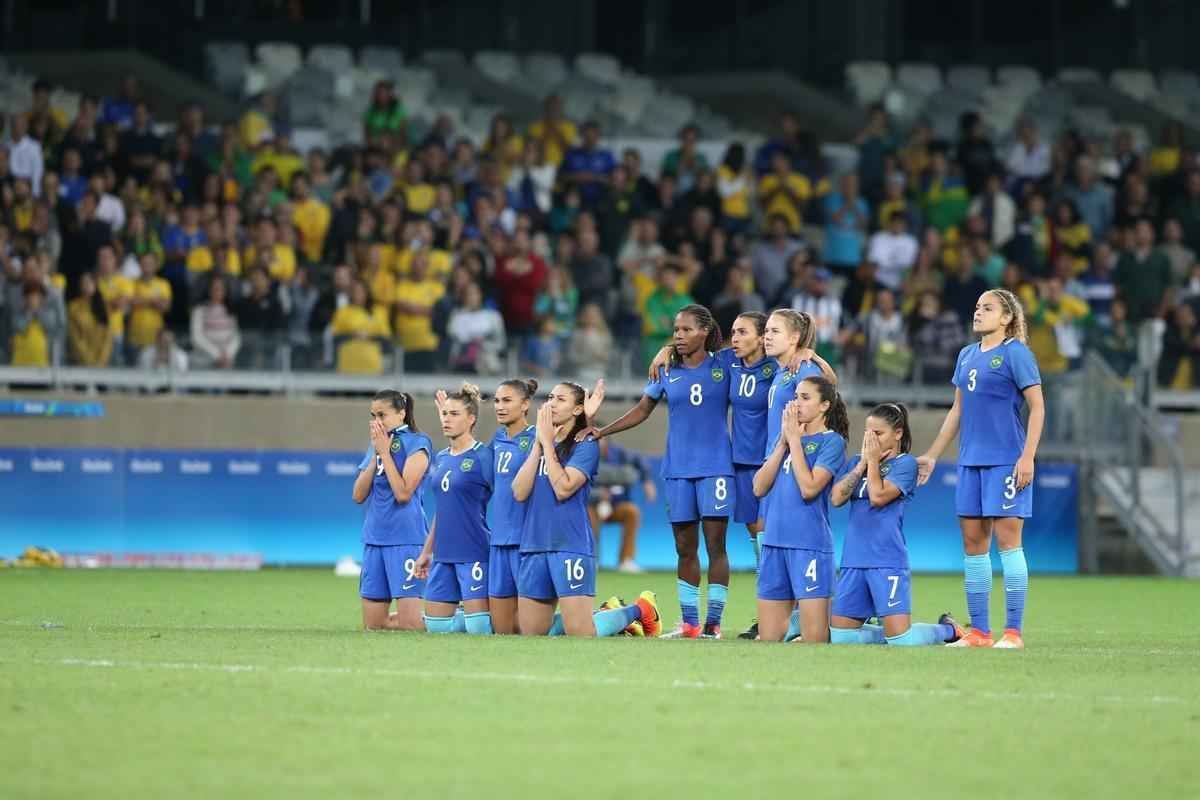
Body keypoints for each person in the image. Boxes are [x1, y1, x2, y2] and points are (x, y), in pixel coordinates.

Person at [590, 305, 733, 639]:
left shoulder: (725, 365)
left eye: (686, 330)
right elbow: (642, 410)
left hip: (716, 469)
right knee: (685, 547)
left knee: (716, 547)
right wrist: (603, 431)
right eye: (675, 331)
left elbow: (754, 353)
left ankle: (713, 626)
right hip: (677, 470)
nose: (678, 336)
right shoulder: (667, 370)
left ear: (704, 331)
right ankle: (691, 625)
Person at [916, 289, 1044, 648]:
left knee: (1008, 543)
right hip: (969, 462)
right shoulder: (967, 355)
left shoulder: (1016, 354)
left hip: (1006, 460)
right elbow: (957, 411)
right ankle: (980, 633)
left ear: (1006, 318)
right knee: (973, 545)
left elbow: (1037, 407)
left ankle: (1013, 633)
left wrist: (1027, 456)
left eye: (987, 308)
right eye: (976, 307)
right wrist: (933, 454)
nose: (978, 313)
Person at [512, 382, 661, 637]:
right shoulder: (539, 444)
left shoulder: (586, 446)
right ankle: (606, 612)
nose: (551, 403)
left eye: (560, 399)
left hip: (570, 545)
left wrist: (547, 445)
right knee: (532, 633)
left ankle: (640, 610)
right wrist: (539, 443)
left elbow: (563, 488)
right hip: (534, 544)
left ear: (577, 409)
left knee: (581, 633)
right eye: (550, 398)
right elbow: (519, 491)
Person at [828, 403, 965, 646]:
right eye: (868, 433)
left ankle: (947, 630)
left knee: (901, 640)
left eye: (878, 433)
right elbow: (837, 498)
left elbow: (878, 496)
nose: (871, 439)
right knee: (842, 637)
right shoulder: (857, 463)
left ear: (898, 433)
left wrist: (871, 464)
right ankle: (884, 631)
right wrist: (862, 464)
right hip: (853, 560)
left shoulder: (905, 465)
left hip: (886, 561)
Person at [751, 378, 847, 643]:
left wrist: (794, 441)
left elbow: (809, 488)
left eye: (805, 397)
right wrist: (783, 443)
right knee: (768, 639)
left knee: (815, 640)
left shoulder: (832, 442)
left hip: (809, 546)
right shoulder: (785, 439)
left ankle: (868, 635)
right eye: (795, 396)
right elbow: (758, 487)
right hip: (773, 544)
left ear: (824, 405)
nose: (796, 403)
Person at [414, 384, 495, 635]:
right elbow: (444, 510)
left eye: (454, 414)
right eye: (445, 414)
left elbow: (505, 502)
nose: (447, 419)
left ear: (471, 419)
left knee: (479, 629)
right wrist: (427, 551)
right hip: (443, 556)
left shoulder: (484, 456)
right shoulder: (441, 458)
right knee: (436, 628)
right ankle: (465, 613)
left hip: (474, 553)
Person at [351, 390, 433, 631]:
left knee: (410, 624)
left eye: (382, 415)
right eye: (373, 415)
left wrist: (386, 453)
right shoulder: (377, 444)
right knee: (374, 625)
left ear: (401, 413)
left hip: (406, 539)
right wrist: (377, 452)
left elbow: (403, 493)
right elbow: (357, 495)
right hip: (375, 539)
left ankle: (448, 617)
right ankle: (443, 617)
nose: (377, 421)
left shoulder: (418, 442)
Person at [589, 432, 654, 574]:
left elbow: (638, 463)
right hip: (592, 506)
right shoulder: (582, 456)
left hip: (615, 505)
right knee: (588, 518)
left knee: (632, 512)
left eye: (600, 440)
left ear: (607, 440)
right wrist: (601, 493)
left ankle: (626, 560)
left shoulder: (620, 454)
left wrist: (647, 481)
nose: (597, 444)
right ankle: (591, 561)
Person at [67, 272, 113, 366]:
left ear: (95, 285)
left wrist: (102, 361)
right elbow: (75, 337)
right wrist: (87, 359)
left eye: (89, 282)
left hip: (101, 363)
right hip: (81, 361)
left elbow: (108, 337)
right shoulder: (73, 307)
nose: (86, 286)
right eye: (84, 283)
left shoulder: (103, 307)